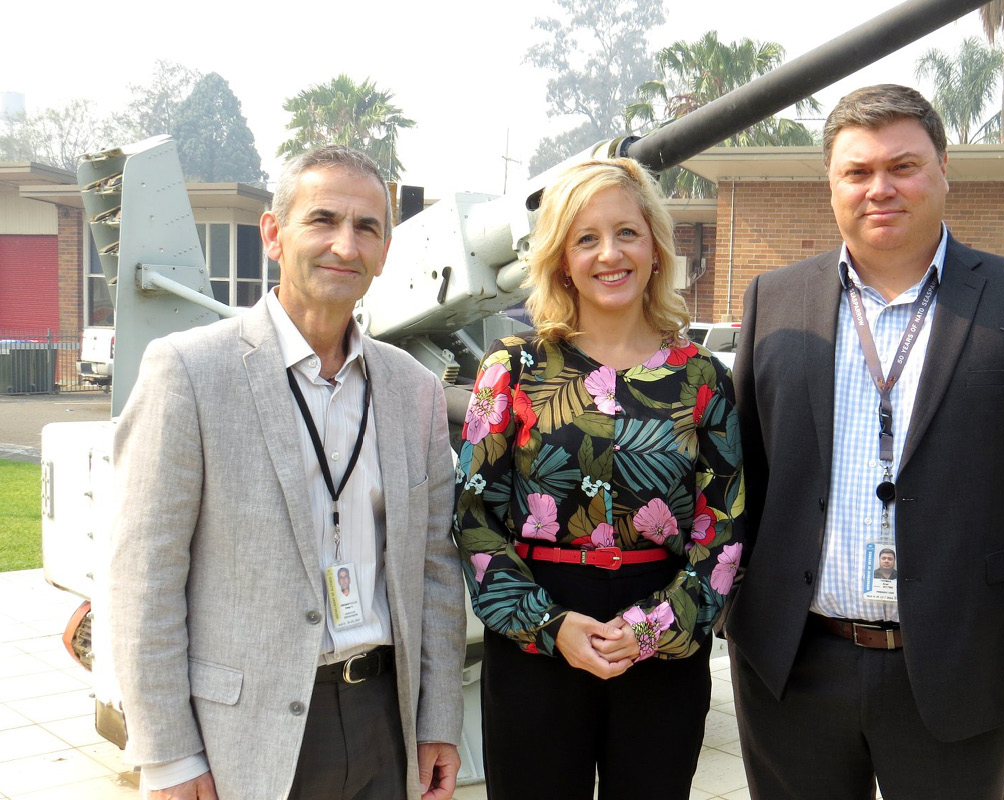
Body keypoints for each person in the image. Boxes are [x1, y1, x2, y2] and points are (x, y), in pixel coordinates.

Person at [725, 84, 1004, 799]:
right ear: (832, 187)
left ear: (941, 174)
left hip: (961, 665)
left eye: (903, 166)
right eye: (857, 172)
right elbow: (739, 478)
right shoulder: (773, 300)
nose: (880, 188)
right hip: (792, 664)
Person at [109, 146, 466, 800]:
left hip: (381, 715)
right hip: (245, 731)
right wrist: (167, 756)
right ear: (273, 235)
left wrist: (438, 718)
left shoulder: (413, 391)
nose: (344, 244)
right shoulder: (188, 372)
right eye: (322, 219)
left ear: (386, 251)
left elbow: (436, 569)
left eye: (367, 228)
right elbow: (144, 574)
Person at [453, 158, 744, 799]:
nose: (609, 254)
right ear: (561, 258)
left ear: (656, 247)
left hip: (662, 642)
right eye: (587, 238)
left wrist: (654, 627)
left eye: (627, 233)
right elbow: (474, 521)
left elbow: (723, 526)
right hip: (537, 639)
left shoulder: (702, 378)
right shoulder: (513, 369)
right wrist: (549, 623)